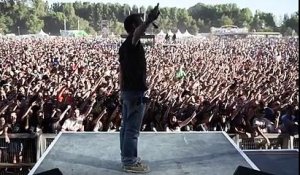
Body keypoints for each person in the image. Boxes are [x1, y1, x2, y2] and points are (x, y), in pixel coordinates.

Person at [118, 3, 160, 173]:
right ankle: (129, 161)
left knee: (125, 127)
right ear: (134, 27)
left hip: (127, 92)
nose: (143, 27)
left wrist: (121, 92)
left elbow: (120, 71)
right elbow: (137, 34)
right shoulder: (131, 42)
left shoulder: (124, 47)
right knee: (132, 130)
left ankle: (126, 156)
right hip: (135, 92)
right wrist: (150, 19)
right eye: (140, 23)